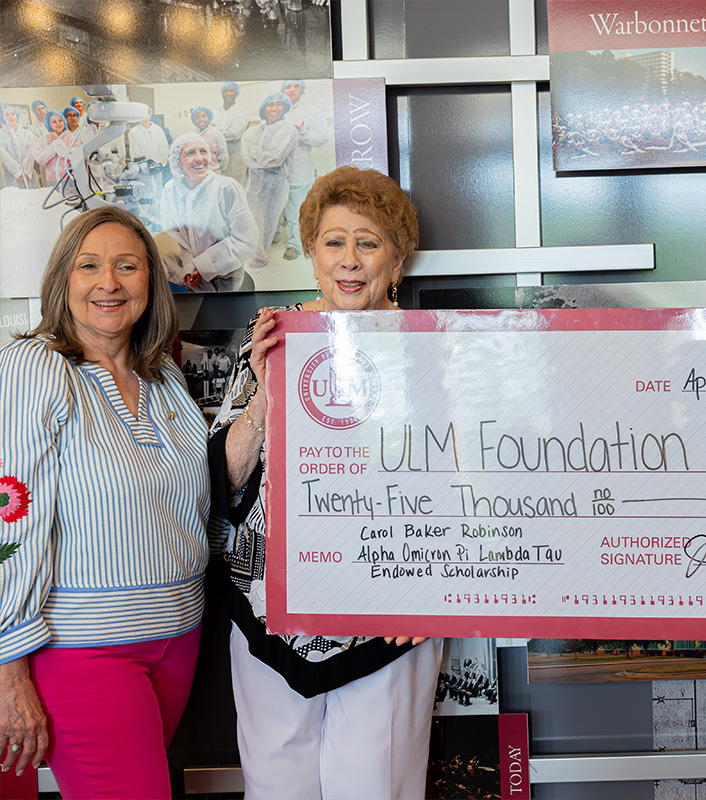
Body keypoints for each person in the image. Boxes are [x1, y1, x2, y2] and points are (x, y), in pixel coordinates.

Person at [208, 166, 442, 799]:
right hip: (270, 613)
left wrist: (441, 588)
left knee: (374, 788)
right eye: (333, 241)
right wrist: (264, 397)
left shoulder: (437, 349)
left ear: (397, 260)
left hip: (393, 613)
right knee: (275, 788)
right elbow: (226, 483)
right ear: (312, 255)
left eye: (368, 242)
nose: (350, 260)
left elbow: (470, 488)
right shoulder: (272, 338)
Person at [0, 206, 210, 796]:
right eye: (89, 266)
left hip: (179, 637)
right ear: (63, 279)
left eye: (128, 266)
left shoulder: (164, 378)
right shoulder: (34, 367)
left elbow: (201, 507)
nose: (109, 283)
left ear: (150, 282)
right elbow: (8, 514)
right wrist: (6, 662)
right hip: (84, 653)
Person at [156, 133, 261, 293]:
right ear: (177, 161)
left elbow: (246, 241)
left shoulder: (226, 188)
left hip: (225, 279)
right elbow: (174, 234)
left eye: (203, 151)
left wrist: (202, 265)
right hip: (186, 274)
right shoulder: (171, 190)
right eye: (190, 153)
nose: (199, 158)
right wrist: (189, 262)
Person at [241, 91, 298, 274]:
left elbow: (275, 159)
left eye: (278, 104)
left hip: (275, 184)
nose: (273, 108)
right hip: (253, 183)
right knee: (250, 220)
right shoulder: (254, 130)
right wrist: (260, 157)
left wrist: (255, 152)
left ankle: (259, 258)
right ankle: (248, 254)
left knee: (267, 222)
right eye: (270, 105)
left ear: (284, 108)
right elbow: (246, 158)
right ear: (264, 108)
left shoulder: (288, 130)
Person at [280, 79, 331, 261]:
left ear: (302, 90)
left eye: (296, 86)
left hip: (300, 161)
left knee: (298, 204)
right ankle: (278, 236)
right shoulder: (277, 109)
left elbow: (323, 138)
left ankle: (296, 244)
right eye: (288, 86)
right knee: (279, 204)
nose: (292, 90)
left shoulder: (311, 111)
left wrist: (302, 133)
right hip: (276, 163)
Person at [214, 82, 250, 182]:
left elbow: (235, 134)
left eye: (231, 91)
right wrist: (225, 129)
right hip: (218, 154)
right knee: (218, 182)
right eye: (226, 91)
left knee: (235, 182)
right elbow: (209, 130)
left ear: (236, 93)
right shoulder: (216, 112)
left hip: (235, 155)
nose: (228, 93)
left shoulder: (241, 111)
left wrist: (217, 131)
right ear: (222, 93)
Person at [34, 111, 81, 187]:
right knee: (55, 198)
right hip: (51, 180)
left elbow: (74, 155)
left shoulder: (72, 138)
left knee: (71, 198)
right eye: (54, 122)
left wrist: (58, 143)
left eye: (60, 121)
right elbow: (39, 159)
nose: (58, 124)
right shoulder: (44, 139)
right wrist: (52, 147)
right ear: (49, 124)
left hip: (69, 178)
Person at [0, 105, 37, 188]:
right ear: (2, 117)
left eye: (13, 114)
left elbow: (30, 155)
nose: (10, 117)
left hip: (29, 176)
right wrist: (19, 174)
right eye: (6, 114)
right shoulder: (1, 135)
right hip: (11, 177)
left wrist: (26, 173)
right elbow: (5, 157)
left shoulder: (28, 134)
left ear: (17, 115)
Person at [191, 106, 228, 175]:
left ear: (209, 118)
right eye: (198, 117)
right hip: (199, 172)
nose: (201, 119)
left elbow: (223, 155)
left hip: (214, 172)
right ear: (194, 120)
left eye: (204, 116)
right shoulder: (193, 135)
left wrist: (221, 169)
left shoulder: (216, 133)